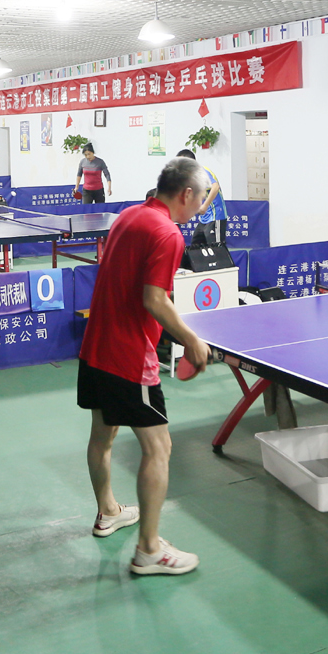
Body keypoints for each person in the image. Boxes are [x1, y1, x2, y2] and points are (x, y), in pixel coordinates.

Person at [79, 157, 211, 576]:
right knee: (159, 448)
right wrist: (191, 339)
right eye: (200, 198)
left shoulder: (129, 216)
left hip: (95, 348)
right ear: (185, 194)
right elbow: (154, 299)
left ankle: (108, 511)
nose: (202, 206)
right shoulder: (168, 233)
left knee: (103, 434)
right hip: (129, 357)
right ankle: (150, 550)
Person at [177, 149, 226, 222]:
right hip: (204, 218)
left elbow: (215, 187)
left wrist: (205, 206)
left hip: (215, 216)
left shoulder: (201, 171)